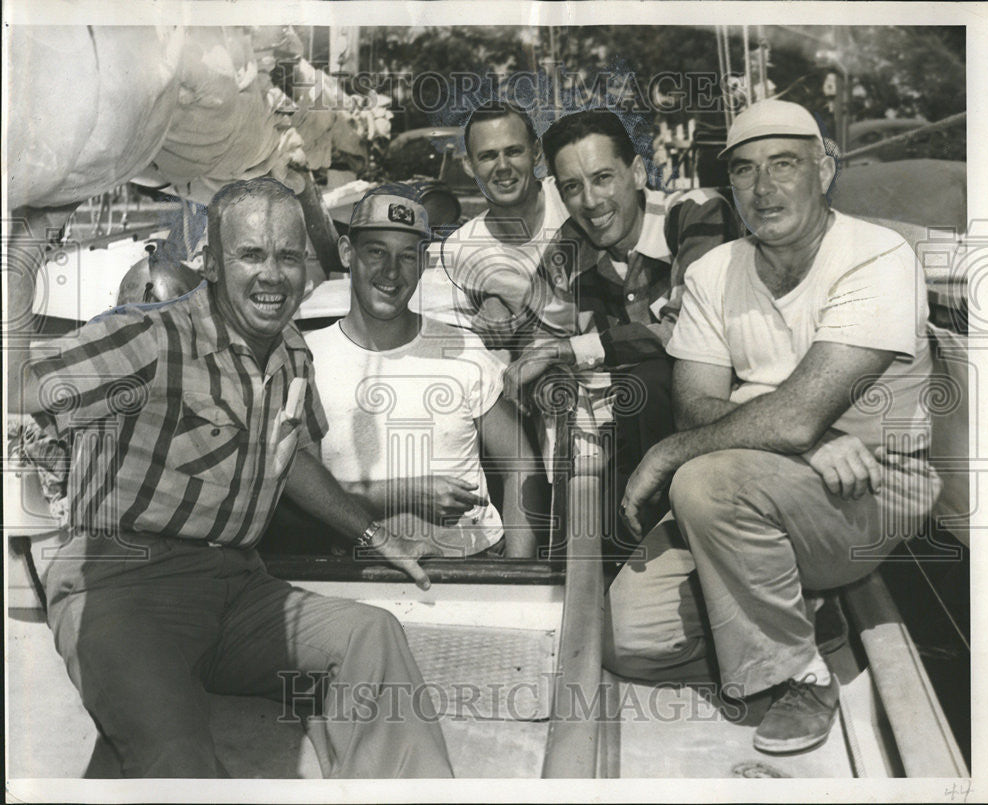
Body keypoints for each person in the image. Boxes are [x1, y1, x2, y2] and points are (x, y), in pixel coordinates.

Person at [20, 177, 453, 778]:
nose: (272, 275)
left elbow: (291, 456)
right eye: (251, 254)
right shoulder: (150, 336)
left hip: (241, 587)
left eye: (288, 256)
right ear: (211, 264)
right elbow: (18, 381)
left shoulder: (292, 351)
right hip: (124, 589)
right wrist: (22, 251)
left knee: (369, 636)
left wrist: (375, 536)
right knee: (176, 760)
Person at [606, 99, 941, 754]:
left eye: (785, 164)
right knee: (630, 639)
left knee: (701, 479)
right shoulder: (712, 270)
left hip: (874, 485)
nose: (764, 188)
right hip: (767, 476)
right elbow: (696, 406)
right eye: (746, 171)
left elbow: (782, 418)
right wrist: (807, 440)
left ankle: (799, 674)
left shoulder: (877, 256)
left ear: (826, 167)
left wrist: (675, 452)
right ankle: (807, 616)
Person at [502, 108, 740, 533]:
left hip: (718, 431)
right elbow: (532, 343)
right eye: (573, 187)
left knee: (649, 378)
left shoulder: (694, 215)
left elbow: (682, 332)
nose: (590, 202)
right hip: (625, 439)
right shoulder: (570, 246)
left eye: (603, 178)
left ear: (637, 171)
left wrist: (569, 350)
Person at [307, 184, 548, 558]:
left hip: (472, 566)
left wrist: (517, 572)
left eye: (407, 256)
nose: (391, 271)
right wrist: (408, 492)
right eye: (375, 252)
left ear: (423, 263)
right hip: (351, 574)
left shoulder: (461, 348)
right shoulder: (305, 358)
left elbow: (521, 463)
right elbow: (295, 489)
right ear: (345, 253)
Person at [438, 99, 576, 350]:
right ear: (469, 165)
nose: (503, 167)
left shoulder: (571, 200)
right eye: (488, 156)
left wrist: (502, 300)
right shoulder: (461, 249)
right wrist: (490, 301)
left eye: (513, 151)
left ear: (535, 152)